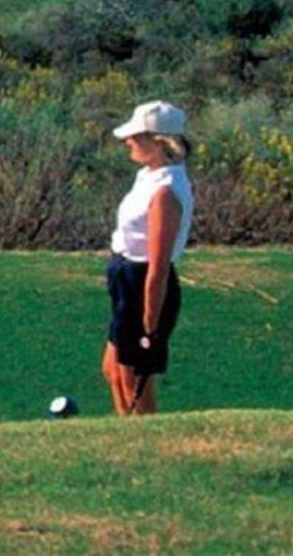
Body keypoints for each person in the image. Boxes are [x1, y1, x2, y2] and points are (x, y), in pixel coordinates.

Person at [102, 100, 194, 416]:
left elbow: (157, 268)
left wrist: (150, 327)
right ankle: (126, 435)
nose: (128, 141)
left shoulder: (166, 192)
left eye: (135, 136)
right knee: (113, 371)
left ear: (157, 142)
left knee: (134, 380)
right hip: (126, 279)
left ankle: (143, 441)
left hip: (144, 286)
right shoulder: (148, 175)